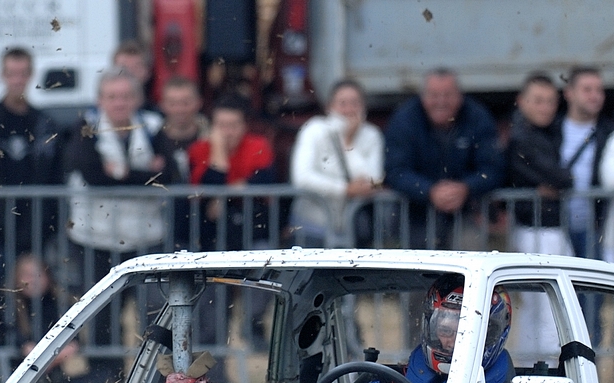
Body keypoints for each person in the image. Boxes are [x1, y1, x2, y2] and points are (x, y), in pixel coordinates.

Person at [65, 69, 174, 309]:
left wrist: (119, 172)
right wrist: (144, 173)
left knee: (153, 311)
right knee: (101, 313)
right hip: (95, 239)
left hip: (145, 238)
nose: (119, 103)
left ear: (137, 99)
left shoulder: (153, 126)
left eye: (126, 96)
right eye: (112, 97)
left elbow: (168, 175)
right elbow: (93, 176)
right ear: (100, 100)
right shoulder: (86, 126)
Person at [0, 48, 64, 273]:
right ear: (2, 75)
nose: (17, 80)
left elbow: (56, 176)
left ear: (31, 75)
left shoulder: (45, 125)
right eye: (12, 73)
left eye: (22, 73)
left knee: (33, 289)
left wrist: (50, 223)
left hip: (35, 229)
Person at [385, 69, 503, 249]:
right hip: (415, 216)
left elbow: (493, 167)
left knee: (471, 254)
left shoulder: (478, 117)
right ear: (423, 97)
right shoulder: (404, 119)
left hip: (466, 213)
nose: (441, 102)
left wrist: (466, 188)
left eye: (447, 95)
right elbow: (395, 170)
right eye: (434, 95)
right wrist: (429, 190)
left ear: (459, 96)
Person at [504, 74, 574, 356]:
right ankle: (546, 366)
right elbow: (562, 178)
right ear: (522, 102)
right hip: (536, 230)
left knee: (540, 307)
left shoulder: (548, 133)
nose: (545, 108)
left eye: (550, 101)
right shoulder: (522, 137)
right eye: (538, 101)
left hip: (544, 229)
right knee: (547, 305)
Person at [361, 278, 513, 383]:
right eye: (445, 331)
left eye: (466, 334)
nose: (454, 344)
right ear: (430, 328)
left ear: (491, 334)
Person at [289, 79, 384, 248]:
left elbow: (374, 180)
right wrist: (344, 189)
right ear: (329, 107)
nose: (349, 110)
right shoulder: (314, 129)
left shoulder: (372, 134)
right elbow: (302, 177)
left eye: (355, 103)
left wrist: (348, 144)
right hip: (312, 226)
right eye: (342, 103)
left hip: (353, 227)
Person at [188, 95, 275, 251]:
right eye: (221, 126)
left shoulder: (257, 145)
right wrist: (218, 151)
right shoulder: (199, 149)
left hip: (252, 230)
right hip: (210, 234)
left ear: (244, 125)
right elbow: (204, 189)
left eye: (234, 125)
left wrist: (223, 197)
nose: (228, 132)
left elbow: (264, 179)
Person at [561, 68, 612, 266]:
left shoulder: (608, 131)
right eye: (587, 89)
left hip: (595, 226)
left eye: (599, 90)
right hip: (556, 225)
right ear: (569, 93)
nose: (595, 96)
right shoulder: (552, 129)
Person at [150, 77, 205, 250]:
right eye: (173, 103)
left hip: (206, 227)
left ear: (198, 103)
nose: (179, 109)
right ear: (162, 105)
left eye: (185, 102)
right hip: (161, 228)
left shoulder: (212, 137)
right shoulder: (151, 139)